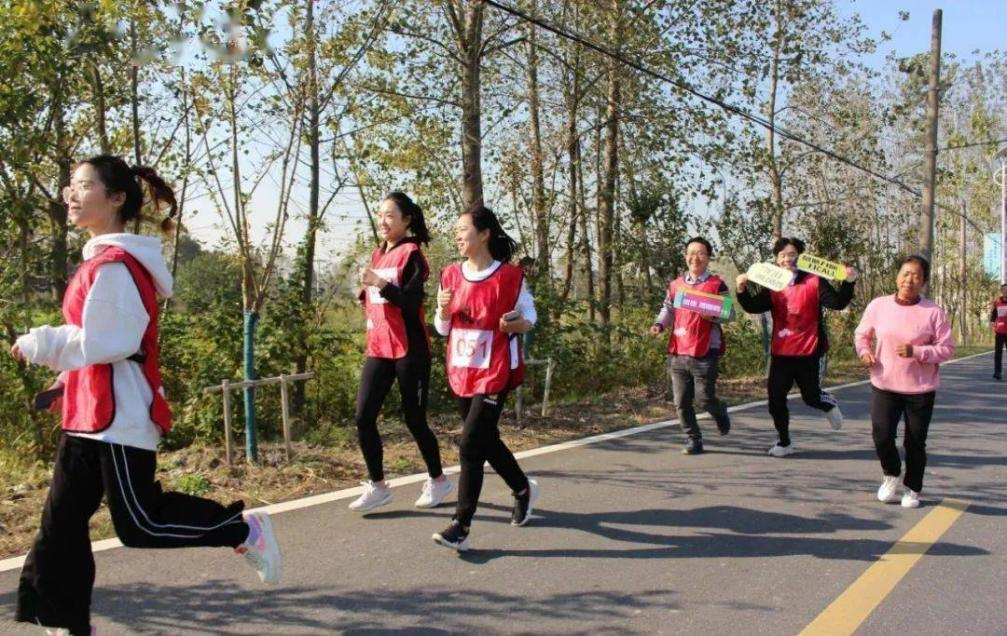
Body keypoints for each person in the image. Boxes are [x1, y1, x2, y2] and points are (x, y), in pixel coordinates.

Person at [11, 155, 281, 636]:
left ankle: (242, 529)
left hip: (119, 418)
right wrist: (64, 380)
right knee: (60, 525)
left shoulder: (116, 267)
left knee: (140, 525)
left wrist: (41, 343)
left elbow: (107, 342)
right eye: (71, 185)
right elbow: (93, 340)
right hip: (88, 412)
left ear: (116, 198)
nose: (71, 195)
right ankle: (65, 623)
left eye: (84, 186)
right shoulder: (99, 260)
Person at [430, 204, 540, 551]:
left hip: (495, 370)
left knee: (470, 444)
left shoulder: (509, 277)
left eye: (463, 229)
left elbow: (530, 318)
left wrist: (516, 324)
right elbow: (442, 329)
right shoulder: (450, 275)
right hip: (463, 370)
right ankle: (522, 488)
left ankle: (460, 526)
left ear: (484, 234)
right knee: (485, 439)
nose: (457, 235)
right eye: (456, 230)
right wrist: (442, 309)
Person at [349, 192, 452, 513]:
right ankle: (378, 486)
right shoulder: (377, 253)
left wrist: (380, 284)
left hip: (410, 350)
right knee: (363, 416)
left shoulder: (412, 254)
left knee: (414, 419)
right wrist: (364, 292)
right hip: (379, 347)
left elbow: (410, 303)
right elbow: (378, 301)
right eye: (381, 215)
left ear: (406, 220)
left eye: (390, 215)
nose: (383, 221)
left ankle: (438, 480)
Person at [735, 237, 857, 457]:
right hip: (782, 351)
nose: (787, 259)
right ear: (776, 259)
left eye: (792, 254)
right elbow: (754, 306)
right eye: (782, 255)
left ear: (800, 256)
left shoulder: (814, 280)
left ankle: (828, 404)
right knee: (775, 399)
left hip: (808, 349)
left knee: (811, 397)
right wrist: (742, 289)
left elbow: (837, 303)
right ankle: (784, 442)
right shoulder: (772, 284)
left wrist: (848, 282)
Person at [855, 255, 954, 508]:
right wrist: (864, 352)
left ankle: (912, 488)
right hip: (884, 383)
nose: (909, 280)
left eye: (916, 276)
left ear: (923, 282)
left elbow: (947, 349)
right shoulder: (878, 305)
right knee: (881, 435)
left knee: (915, 442)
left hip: (920, 389)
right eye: (905, 273)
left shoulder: (933, 312)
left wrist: (918, 352)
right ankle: (891, 474)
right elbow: (862, 335)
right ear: (897, 276)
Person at [649, 237, 734, 455]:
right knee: (681, 401)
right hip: (678, 349)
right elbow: (668, 309)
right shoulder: (676, 285)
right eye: (691, 253)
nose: (695, 258)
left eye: (701, 253)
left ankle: (719, 411)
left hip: (705, 350)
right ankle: (693, 439)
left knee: (704, 398)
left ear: (708, 257)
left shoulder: (717, 285)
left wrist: (713, 316)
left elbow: (730, 314)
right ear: (685, 256)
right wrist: (659, 324)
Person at [989, 283, 1007, 380]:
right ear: (1001, 291)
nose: (1005, 291)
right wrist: (992, 322)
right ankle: (997, 372)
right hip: (1000, 331)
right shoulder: (997, 303)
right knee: (998, 353)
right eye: (1003, 290)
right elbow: (993, 315)